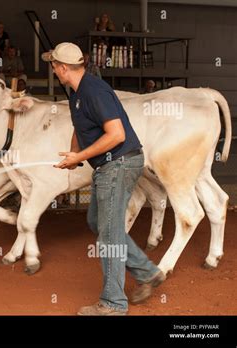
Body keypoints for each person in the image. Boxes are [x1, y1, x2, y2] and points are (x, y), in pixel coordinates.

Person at [44, 42, 165, 315]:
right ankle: (147, 272)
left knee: (109, 236)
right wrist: (74, 154)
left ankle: (113, 303)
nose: (52, 69)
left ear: (63, 68)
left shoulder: (93, 90)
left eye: (53, 65)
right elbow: (82, 127)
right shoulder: (77, 92)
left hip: (119, 164)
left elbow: (116, 135)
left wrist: (80, 156)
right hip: (110, 165)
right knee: (97, 222)